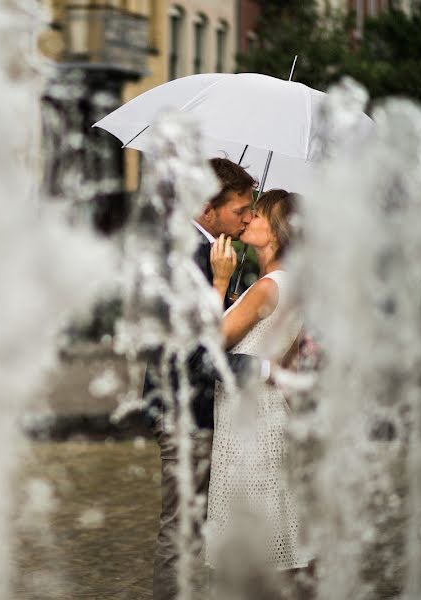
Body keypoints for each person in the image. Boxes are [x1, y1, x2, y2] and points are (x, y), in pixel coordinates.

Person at [147, 158, 271, 600]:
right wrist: (270, 372)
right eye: (240, 210)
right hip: (186, 412)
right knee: (180, 530)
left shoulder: (210, 252)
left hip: (199, 410)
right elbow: (194, 353)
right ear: (207, 210)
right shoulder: (186, 257)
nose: (246, 218)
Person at [204, 189, 313, 579]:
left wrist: (219, 283)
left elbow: (212, 347)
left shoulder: (267, 288)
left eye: (259, 215)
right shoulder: (286, 285)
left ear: (278, 233)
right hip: (266, 417)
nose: (248, 218)